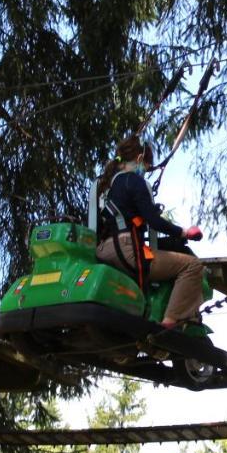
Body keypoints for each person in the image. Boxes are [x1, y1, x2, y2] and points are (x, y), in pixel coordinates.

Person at [95, 135, 206, 329]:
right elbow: (153, 221)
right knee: (192, 265)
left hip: (104, 249)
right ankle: (168, 325)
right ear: (139, 159)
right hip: (127, 250)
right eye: (146, 167)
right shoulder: (134, 181)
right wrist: (184, 232)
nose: (145, 172)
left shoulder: (106, 187)